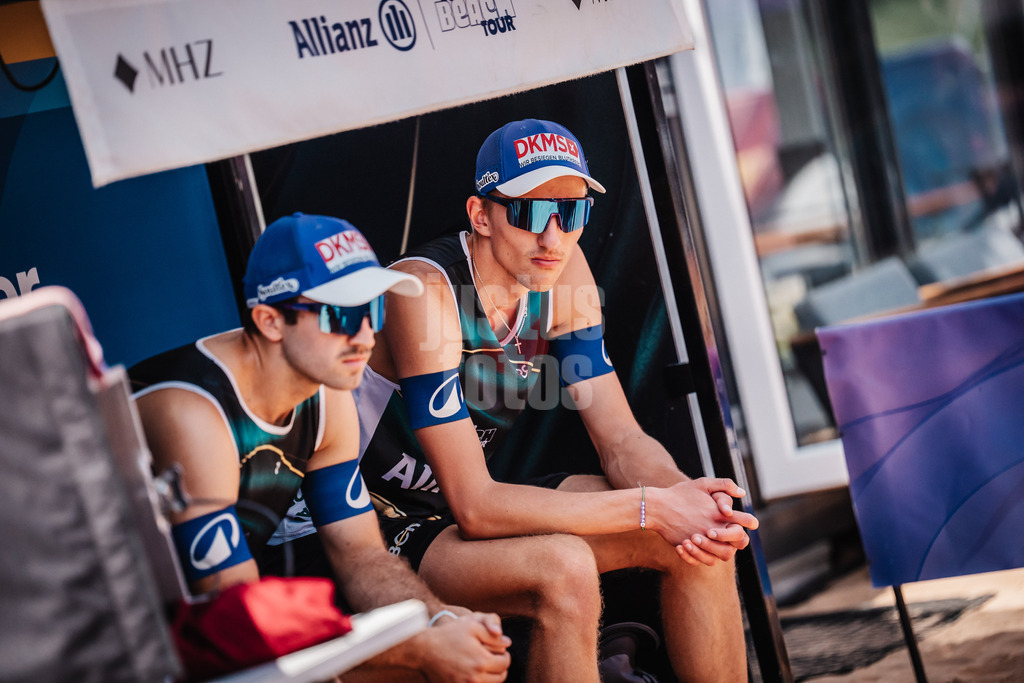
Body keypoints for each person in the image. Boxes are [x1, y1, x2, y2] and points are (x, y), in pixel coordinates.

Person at [281, 120, 760, 681]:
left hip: (443, 509)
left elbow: (621, 439)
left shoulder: (564, 274)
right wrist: (653, 506)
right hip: (366, 523)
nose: (553, 238)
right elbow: (476, 507)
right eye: (531, 213)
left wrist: (685, 499)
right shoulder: (425, 292)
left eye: (572, 213)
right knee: (566, 567)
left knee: (699, 542)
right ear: (481, 215)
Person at [129, 213, 511, 682]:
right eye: (342, 315)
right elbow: (240, 627)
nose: (366, 337)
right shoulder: (193, 416)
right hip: (113, 637)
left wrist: (438, 620)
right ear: (270, 321)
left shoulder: (327, 395)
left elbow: (361, 556)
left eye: (373, 313)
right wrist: (421, 648)